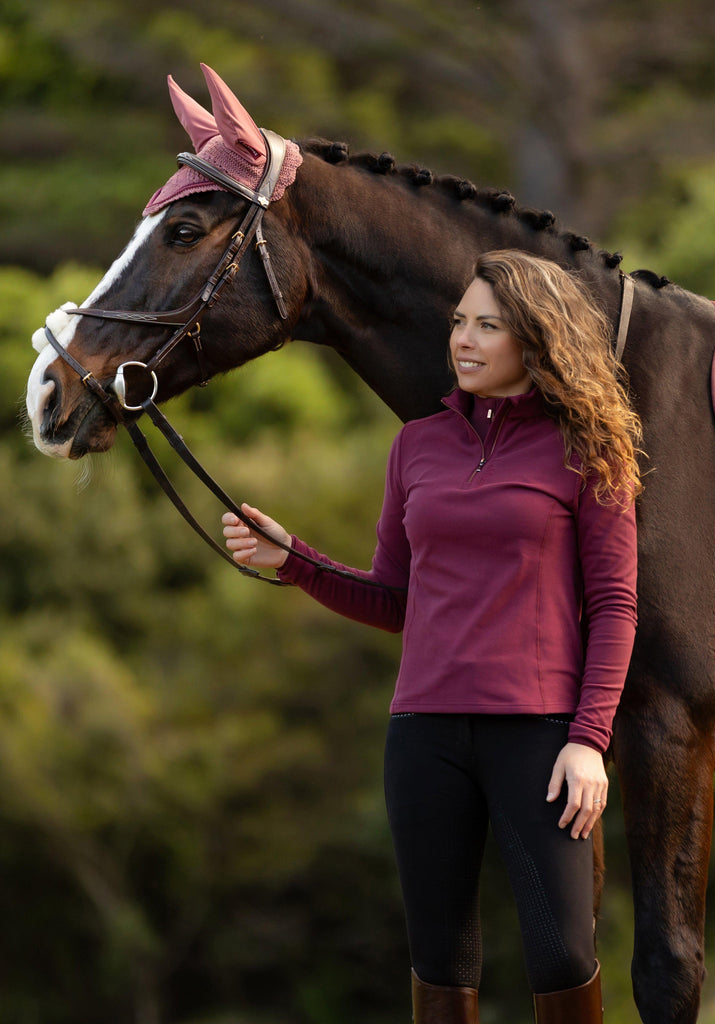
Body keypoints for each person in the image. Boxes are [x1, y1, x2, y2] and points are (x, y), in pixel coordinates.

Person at [222, 249, 641, 1024]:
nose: (464, 341)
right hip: (423, 735)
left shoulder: (590, 450)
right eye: (458, 322)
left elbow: (616, 607)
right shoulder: (416, 445)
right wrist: (294, 560)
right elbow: (395, 599)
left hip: (540, 737)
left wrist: (589, 740)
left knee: (561, 956)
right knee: (440, 962)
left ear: (536, 338)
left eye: (488, 326)